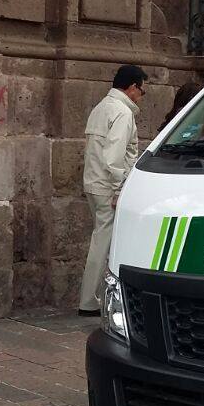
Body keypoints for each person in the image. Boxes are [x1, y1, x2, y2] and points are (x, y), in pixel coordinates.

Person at [78, 65, 146, 317]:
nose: (141, 96)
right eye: (142, 91)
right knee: (103, 243)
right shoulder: (122, 113)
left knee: (101, 240)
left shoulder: (101, 108)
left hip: (94, 183)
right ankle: (89, 301)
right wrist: (120, 189)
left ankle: (92, 298)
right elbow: (114, 157)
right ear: (132, 87)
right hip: (108, 186)